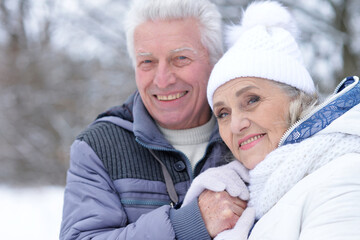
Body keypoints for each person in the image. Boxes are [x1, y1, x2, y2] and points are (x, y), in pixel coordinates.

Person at [60, 0, 249, 239]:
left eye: (180, 58)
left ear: (216, 61)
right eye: (147, 62)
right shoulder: (98, 147)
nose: (162, 80)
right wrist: (188, 225)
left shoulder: (251, 131)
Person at [183, 1, 360, 239]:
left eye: (252, 100)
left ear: (297, 97)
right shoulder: (249, 197)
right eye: (223, 113)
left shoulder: (343, 175)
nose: (236, 126)